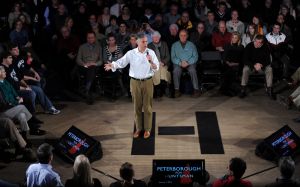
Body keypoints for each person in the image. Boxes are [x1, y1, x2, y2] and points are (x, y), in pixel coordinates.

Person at [104, 33, 159, 139]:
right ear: (137, 42)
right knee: (136, 107)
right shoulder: (131, 53)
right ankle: (138, 128)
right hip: (134, 82)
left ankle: (147, 129)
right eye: (143, 41)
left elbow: (156, 67)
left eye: (146, 41)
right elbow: (122, 62)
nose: (145, 43)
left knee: (147, 107)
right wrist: (112, 65)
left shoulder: (151, 52)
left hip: (147, 81)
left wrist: (151, 61)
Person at [239, 35, 273, 99]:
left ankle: (269, 90)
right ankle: (243, 90)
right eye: (256, 41)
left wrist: (261, 65)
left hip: (261, 67)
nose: (257, 44)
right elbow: (245, 59)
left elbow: (268, 60)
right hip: (251, 66)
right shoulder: (249, 46)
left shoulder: (265, 47)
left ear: (262, 43)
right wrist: (254, 65)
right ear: (254, 40)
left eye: (259, 42)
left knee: (269, 69)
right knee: (245, 69)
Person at [76, 31, 103, 104]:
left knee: (92, 68)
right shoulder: (82, 47)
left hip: (94, 66)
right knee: (90, 69)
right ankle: (89, 90)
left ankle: (87, 90)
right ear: (86, 38)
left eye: (92, 38)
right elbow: (78, 59)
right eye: (89, 38)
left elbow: (101, 60)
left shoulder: (99, 47)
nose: (90, 39)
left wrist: (95, 63)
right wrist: (84, 64)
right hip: (84, 67)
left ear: (94, 38)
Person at [171, 29, 199, 98]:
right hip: (179, 63)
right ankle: (177, 90)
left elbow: (195, 56)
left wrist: (188, 62)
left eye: (184, 35)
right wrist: (180, 63)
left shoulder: (191, 45)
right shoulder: (174, 45)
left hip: (189, 63)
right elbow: (173, 57)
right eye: (181, 35)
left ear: (187, 36)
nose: (183, 37)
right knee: (176, 71)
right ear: (179, 36)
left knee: (193, 71)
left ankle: (196, 90)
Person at [148, 31, 171, 99]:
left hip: (163, 64)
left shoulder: (164, 44)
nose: (156, 38)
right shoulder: (149, 45)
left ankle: (164, 88)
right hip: (154, 64)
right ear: (152, 38)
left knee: (164, 71)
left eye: (157, 36)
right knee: (156, 71)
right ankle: (158, 90)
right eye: (154, 37)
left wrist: (163, 62)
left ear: (159, 37)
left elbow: (168, 56)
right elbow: (148, 57)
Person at [220, 32, 244, 96]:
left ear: (238, 39)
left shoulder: (241, 47)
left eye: (236, 38)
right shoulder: (227, 45)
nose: (234, 39)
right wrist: (228, 63)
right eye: (233, 37)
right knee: (226, 70)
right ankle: (226, 90)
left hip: (237, 64)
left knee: (232, 70)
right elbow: (224, 57)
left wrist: (234, 64)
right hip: (228, 64)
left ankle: (231, 89)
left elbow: (242, 59)